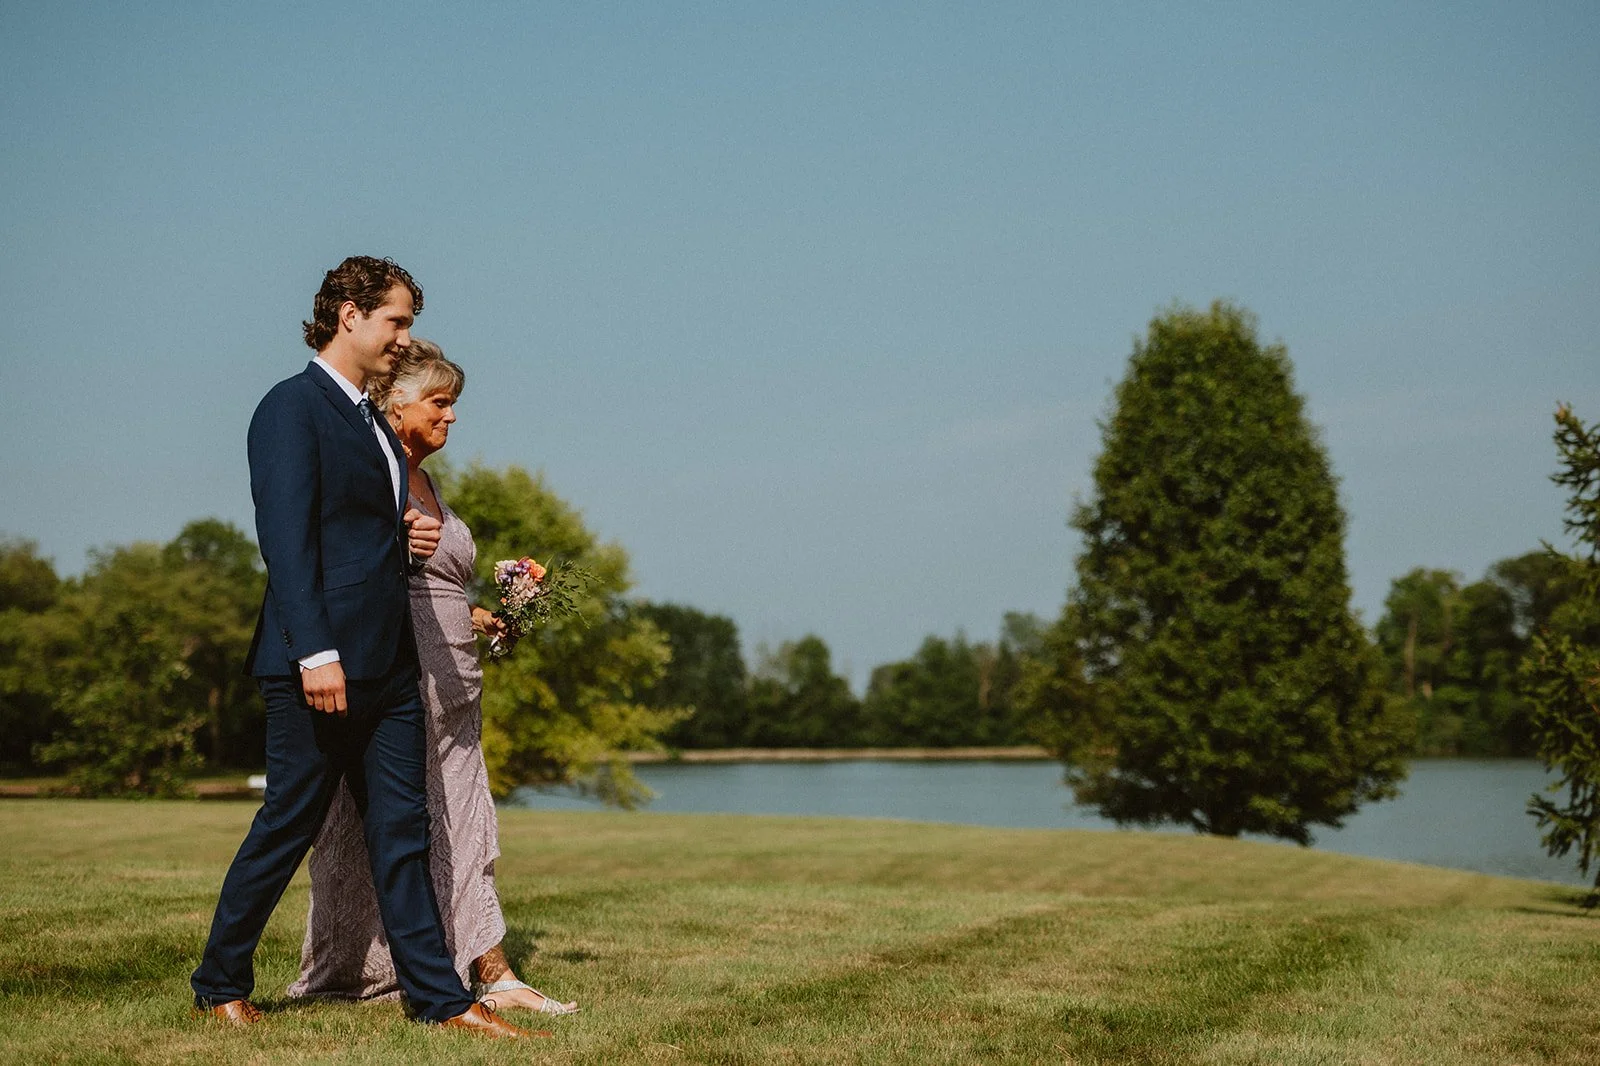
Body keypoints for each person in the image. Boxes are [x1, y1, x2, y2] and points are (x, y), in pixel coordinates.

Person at [189, 256, 532, 1039]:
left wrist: (404, 540)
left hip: (390, 666)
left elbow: (354, 531)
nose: (404, 339)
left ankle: (439, 1003)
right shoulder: (290, 409)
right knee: (288, 824)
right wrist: (315, 654)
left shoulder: (376, 422)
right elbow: (286, 538)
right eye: (397, 321)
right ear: (349, 314)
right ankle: (218, 983)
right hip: (319, 665)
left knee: (402, 833)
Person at [288, 340, 578, 1017]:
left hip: (456, 680)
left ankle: (480, 967)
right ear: (395, 404)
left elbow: (430, 576)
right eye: (441, 402)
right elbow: (347, 561)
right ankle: (471, 969)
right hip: (402, 673)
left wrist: (481, 612)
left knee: (465, 815)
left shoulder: (422, 479)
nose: (452, 418)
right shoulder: (374, 473)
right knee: (425, 819)